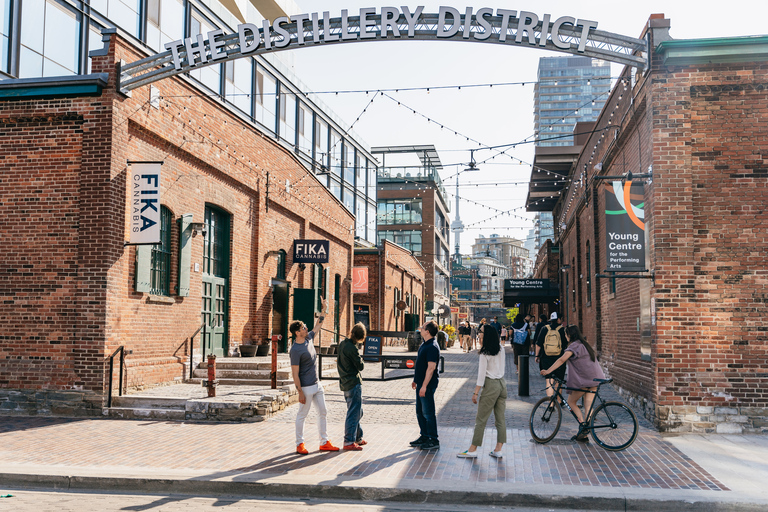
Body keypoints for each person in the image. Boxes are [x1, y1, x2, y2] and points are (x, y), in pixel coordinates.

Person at [289, 298, 340, 455]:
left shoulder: (309, 338)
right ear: (298, 332)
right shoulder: (295, 350)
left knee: (323, 412)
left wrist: (324, 309)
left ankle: (324, 442)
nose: (306, 328)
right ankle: (300, 444)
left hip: (317, 385)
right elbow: (295, 373)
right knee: (302, 415)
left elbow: (319, 324)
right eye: (304, 327)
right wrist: (300, 392)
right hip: (306, 387)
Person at [541, 324, 605, 442]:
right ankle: (584, 432)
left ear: (569, 335)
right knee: (588, 406)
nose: (565, 337)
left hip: (585, 380)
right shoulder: (585, 345)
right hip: (596, 379)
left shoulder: (574, 346)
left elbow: (561, 359)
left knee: (571, 401)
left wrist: (548, 371)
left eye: (565, 335)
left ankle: (582, 426)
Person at [457, 323, 507, 459]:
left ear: (487, 336)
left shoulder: (485, 353)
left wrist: (475, 393)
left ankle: (473, 449)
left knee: (481, 420)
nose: (479, 334)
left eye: (482, 332)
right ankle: (498, 449)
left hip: (491, 386)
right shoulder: (501, 349)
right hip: (502, 384)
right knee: (500, 419)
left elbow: (481, 375)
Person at [409, 320, 441, 451]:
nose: (420, 329)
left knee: (428, 412)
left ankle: (433, 439)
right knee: (419, 411)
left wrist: (424, 386)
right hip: (421, 382)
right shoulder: (425, 344)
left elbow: (431, 368)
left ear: (427, 331)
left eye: (422, 327)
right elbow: (421, 365)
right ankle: (424, 435)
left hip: (427, 384)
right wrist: (416, 380)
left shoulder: (432, 346)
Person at [337, 322, 367, 451]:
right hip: (353, 382)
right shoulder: (353, 349)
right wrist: (360, 356)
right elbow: (360, 366)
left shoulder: (343, 344)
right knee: (353, 412)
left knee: (357, 411)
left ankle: (358, 437)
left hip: (345, 381)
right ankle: (349, 441)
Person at [535, 312, 567, 399]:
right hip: (559, 358)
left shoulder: (544, 328)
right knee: (558, 381)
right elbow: (565, 344)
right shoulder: (562, 330)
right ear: (559, 319)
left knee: (549, 381)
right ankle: (559, 401)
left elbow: (538, 344)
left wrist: (537, 356)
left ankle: (551, 403)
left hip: (545, 358)